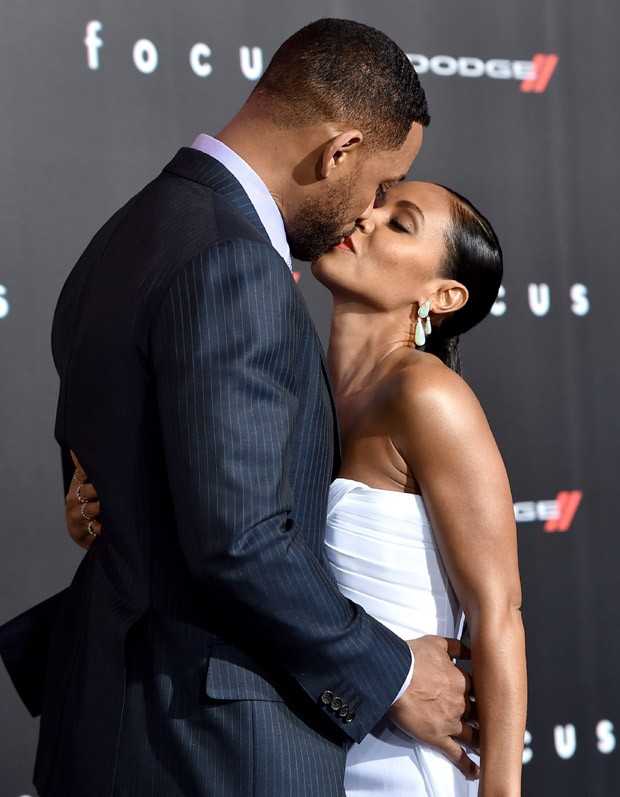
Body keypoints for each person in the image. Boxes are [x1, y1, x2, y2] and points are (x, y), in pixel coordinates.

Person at [0, 18, 479, 797]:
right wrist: (395, 678)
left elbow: (114, 487)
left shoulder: (120, 238)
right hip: (208, 747)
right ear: (341, 151)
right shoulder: (236, 264)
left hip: (106, 725)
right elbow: (241, 540)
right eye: (382, 186)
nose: (369, 208)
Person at [66, 180, 527, 795]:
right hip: (299, 745)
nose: (366, 215)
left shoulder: (427, 396)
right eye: (379, 199)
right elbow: (239, 545)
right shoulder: (292, 380)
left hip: (401, 761)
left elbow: (498, 613)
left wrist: (501, 789)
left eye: (399, 222)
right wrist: (101, 518)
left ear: (442, 296)